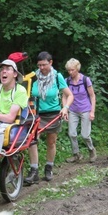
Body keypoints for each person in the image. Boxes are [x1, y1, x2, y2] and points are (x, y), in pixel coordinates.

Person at [24, 51, 73, 185]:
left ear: (50, 63)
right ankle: (34, 171)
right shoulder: (33, 77)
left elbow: (69, 95)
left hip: (53, 113)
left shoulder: (57, 76)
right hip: (36, 114)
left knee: (51, 142)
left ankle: (48, 167)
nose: (41, 68)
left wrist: (65, 108)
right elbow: (24, 93)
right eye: (39, 65)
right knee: (32, 141)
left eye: (44, 65)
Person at [64, 58, 97, 163]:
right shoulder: (66, 81)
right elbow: (64, 97)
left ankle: (91, 150)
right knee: (72, 133)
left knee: (85, 135)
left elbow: (92, 96)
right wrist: (65, 109)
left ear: (77, 69)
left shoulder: (85, 80)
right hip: (72, 110)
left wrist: (92, 112)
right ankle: (76, 154)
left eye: (72, 70)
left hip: (85, 109)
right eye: (69, 70)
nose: (70, 72)